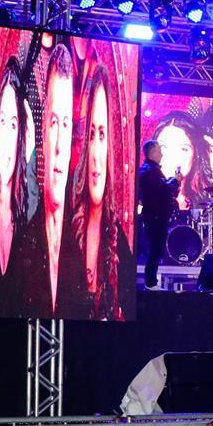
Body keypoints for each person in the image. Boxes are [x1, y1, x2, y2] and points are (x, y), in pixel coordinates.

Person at [15, 41, 84, 318]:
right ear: (42, 128)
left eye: (65, 124)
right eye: (53, 122)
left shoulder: (82, 244)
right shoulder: (22, 236)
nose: (58, 146)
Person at [71, 58, 129, 319]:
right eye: (91, 134)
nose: (95, 154)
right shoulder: (65, 228)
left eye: (103, 135)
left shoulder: (120, 241)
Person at [0, 56, 33, 303]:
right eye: (2, 122)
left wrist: (31, 153)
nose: (6, 138)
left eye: (13, 125)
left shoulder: (28, 203)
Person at [137, 139, 177, 290]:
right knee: (155, 249)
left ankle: (151, 281)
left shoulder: (151, 170)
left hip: (157, 216)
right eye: (159, 151)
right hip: (155, 216)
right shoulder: (149, 171)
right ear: (152, 153)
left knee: (156, 249)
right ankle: (151, 282)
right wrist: (175, 181)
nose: (161, 154)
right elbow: (163, 190)